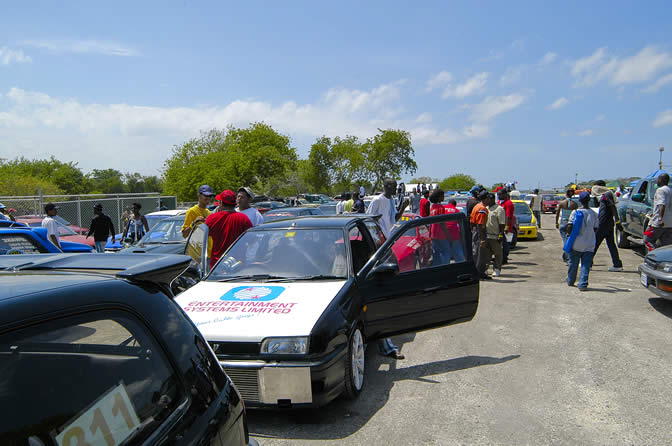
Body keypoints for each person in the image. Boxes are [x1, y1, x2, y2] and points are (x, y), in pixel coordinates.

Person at [366, 178, 409, 359]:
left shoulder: (391, 201)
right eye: (389, 186)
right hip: (379, 245)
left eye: (394, 186)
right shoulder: (377, 201)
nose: (392, 188)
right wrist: (377, 241)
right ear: (384, 187)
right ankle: (386, 346)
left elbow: (392, 220)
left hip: (389, 242)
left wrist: (403, 208)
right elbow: (369, 220)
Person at [205, 190, 253, 268]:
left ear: (220, 203)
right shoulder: (243, 218)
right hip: (238, 264)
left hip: (217, 264)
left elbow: (203, 239)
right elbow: (251, 240)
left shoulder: (211, 218)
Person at [566, 191, 598, 291]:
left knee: (573, 263)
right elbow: (596, 228)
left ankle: (571, 280)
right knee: (586, 265)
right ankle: (583, 283)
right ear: (589, 200)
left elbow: (570, 226)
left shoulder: (575, 212)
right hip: (589, 242)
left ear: (579, 200)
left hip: (576, 242)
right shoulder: (593, 213)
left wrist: (568, 236)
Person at [592, 186, 624, 272]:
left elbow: (613, 207)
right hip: (608, 223)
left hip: (604, 223)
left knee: (595, 243)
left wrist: (617, 222)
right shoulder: (604, 196)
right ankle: (617, 264)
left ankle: (588, 262)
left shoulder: (607, 195)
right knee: (611, 244)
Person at [429, 190, 464, 264]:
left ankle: (437, 268)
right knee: (445, 252)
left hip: (433, 234)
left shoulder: (432, 207)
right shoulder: (441, 207)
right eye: (443, 196)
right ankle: (445, 268)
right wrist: (448, 236)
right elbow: (442, 223)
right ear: (439, 197)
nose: (444, 197)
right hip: (441, 234)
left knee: (436, 253)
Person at [644, 173, 672, 248]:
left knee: (647, 240)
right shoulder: (670, 190)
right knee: (667, 246)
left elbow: (661, 204)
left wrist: (660, 218)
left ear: (661, 180)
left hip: (657, 224)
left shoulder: (660, 190)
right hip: (669, 223)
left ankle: (653, 257)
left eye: (658, 179)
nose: (657, 181)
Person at [470, 191, 491, 279]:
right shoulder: (482, 209)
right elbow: (480, 225)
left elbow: (471, 222)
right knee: (481, 254)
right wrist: (482, 239)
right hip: (480, 232)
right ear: (486, 199)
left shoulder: (476, 206)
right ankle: (480, 273)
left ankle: (475, 272)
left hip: (475, 230)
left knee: (475, 253)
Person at [555, 189, 579, 263]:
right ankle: (566, 256)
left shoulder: (562, 203)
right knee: (569, 239)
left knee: (565, 240)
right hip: (571, 223)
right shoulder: (575, 204)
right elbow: (577, 214)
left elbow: (557, 213)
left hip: (563, 222)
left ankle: (567, 256)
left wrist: (556, 222)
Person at [485, 193, 506, 277]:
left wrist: (501, 234)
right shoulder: (486, 208)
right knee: (487, 254)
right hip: (487, 235)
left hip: (495, 235)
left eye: (488, 199)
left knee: (498, 254)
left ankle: (497, 269)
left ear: (493, 199)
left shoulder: (499, 209)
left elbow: (502, 223)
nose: (487, 201)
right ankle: (485, 269)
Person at [497, 189, 515, 265]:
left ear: (505, 194)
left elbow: (508, 216)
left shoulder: (508, 203)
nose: (498, 196)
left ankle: (504, 258)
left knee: (506, 243)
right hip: (499, 227)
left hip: (507, 227)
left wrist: (507, 226)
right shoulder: (499, 202)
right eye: (498, 195)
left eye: (500, 194)